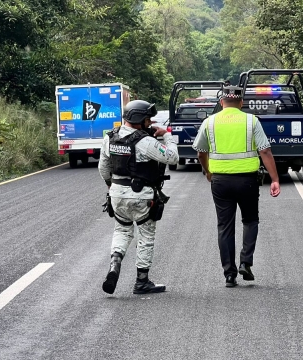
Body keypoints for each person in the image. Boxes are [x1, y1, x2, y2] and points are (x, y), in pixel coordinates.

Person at [192, 86, 281, 287]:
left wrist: (207, 171)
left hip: (220, 181)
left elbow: (200, 151)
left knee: (225, 226)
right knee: (250, 220)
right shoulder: (251, 121)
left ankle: (229, 275)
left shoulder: (209, 122)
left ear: (221, 102)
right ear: (241, 103)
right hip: (247, 180)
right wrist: (274, 178)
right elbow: (265, 151)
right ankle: (245, 262)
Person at [98, 100, 179, 295]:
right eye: (147, 119)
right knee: (146, 236)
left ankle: (115, 263)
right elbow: (173, 158)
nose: (150, 122)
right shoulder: (145, 141)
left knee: (122, 231)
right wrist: (168, 137)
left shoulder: (110, 138)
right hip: (141, 195)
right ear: (139, 119)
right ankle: (142, 281)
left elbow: (103, 168)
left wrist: (112, 186)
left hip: (116, 194)